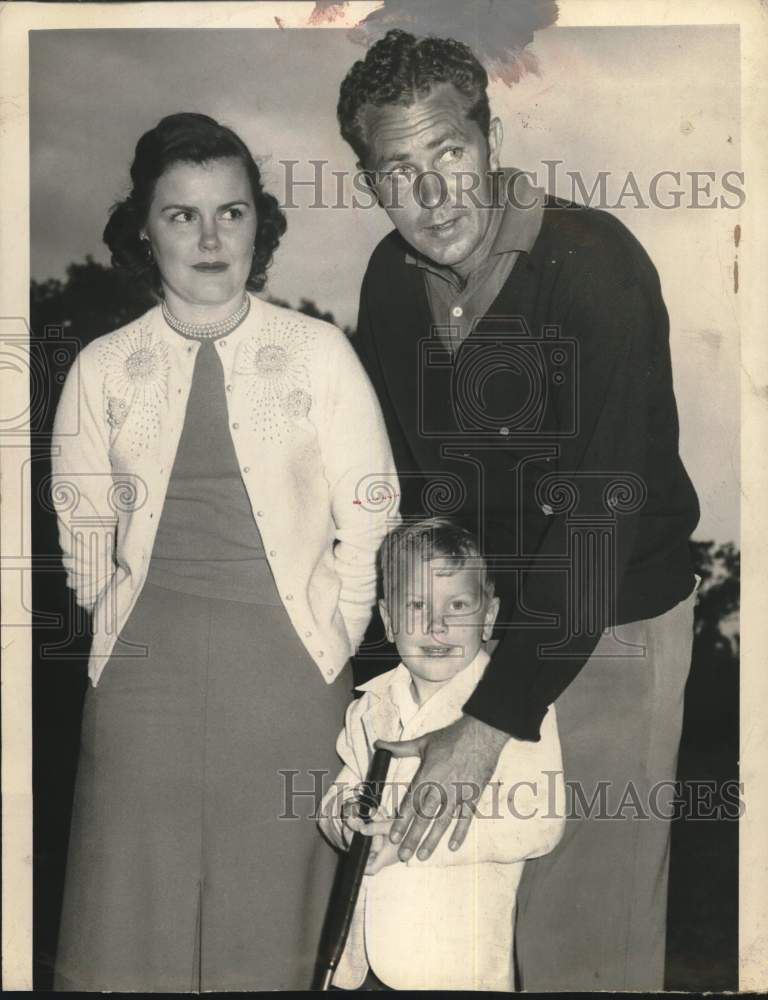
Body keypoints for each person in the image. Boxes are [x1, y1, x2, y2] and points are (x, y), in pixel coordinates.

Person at [336, 30, 700, 991]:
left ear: (490, 140)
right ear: (372, 184)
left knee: (588, 939)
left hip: (617, 614)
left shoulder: (594, 264)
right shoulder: (387, 282)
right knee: (470, 937)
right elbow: (419, 504)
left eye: (450, 153)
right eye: (398, 170)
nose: (433, 194)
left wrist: (491, 722)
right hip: (482, 627)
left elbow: (598, 520)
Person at [50, 112, 398, 992]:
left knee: (272, 938)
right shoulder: (100, 366)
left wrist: (332, 634)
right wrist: (124, 637)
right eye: (182, 215)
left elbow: (372, 514)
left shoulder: (319, 355)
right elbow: (82, 531)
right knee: (132, 933)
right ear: (144, 228)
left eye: (231, 213)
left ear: (259, 223)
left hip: (288, 683)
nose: (210, 238)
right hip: (141, 691)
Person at [318, 518, 564, 990]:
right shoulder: (369, 705)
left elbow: (539, 822)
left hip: (457, 965)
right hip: (361, 964)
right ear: (388, 622)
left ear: (488, 617)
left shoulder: (516, 708)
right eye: (417, 605)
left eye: (458, 605)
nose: (437, 624)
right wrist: (345, 818)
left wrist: (407, 843)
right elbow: (337, 798)